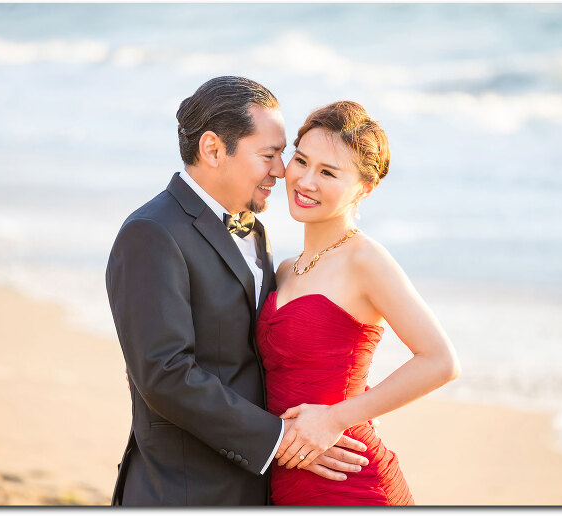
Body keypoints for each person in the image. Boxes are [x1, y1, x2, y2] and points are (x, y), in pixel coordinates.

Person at [106, 77, 368, 506]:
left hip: (258, 484)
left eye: (283, 154)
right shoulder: (150, 234)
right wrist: (279, 440)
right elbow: (166, 374)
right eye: (269, 154)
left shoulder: (254, 229)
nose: (282, 170)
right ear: (212, 150)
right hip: (186, 490)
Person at [256, 101, 462, 505]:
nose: (305, 181)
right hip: (288, 473)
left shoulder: (366, 260)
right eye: (301, 161)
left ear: (365, 188)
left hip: (351, 481)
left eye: (328, 172)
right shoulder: (283, 268)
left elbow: (440, 361)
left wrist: (338, 416)